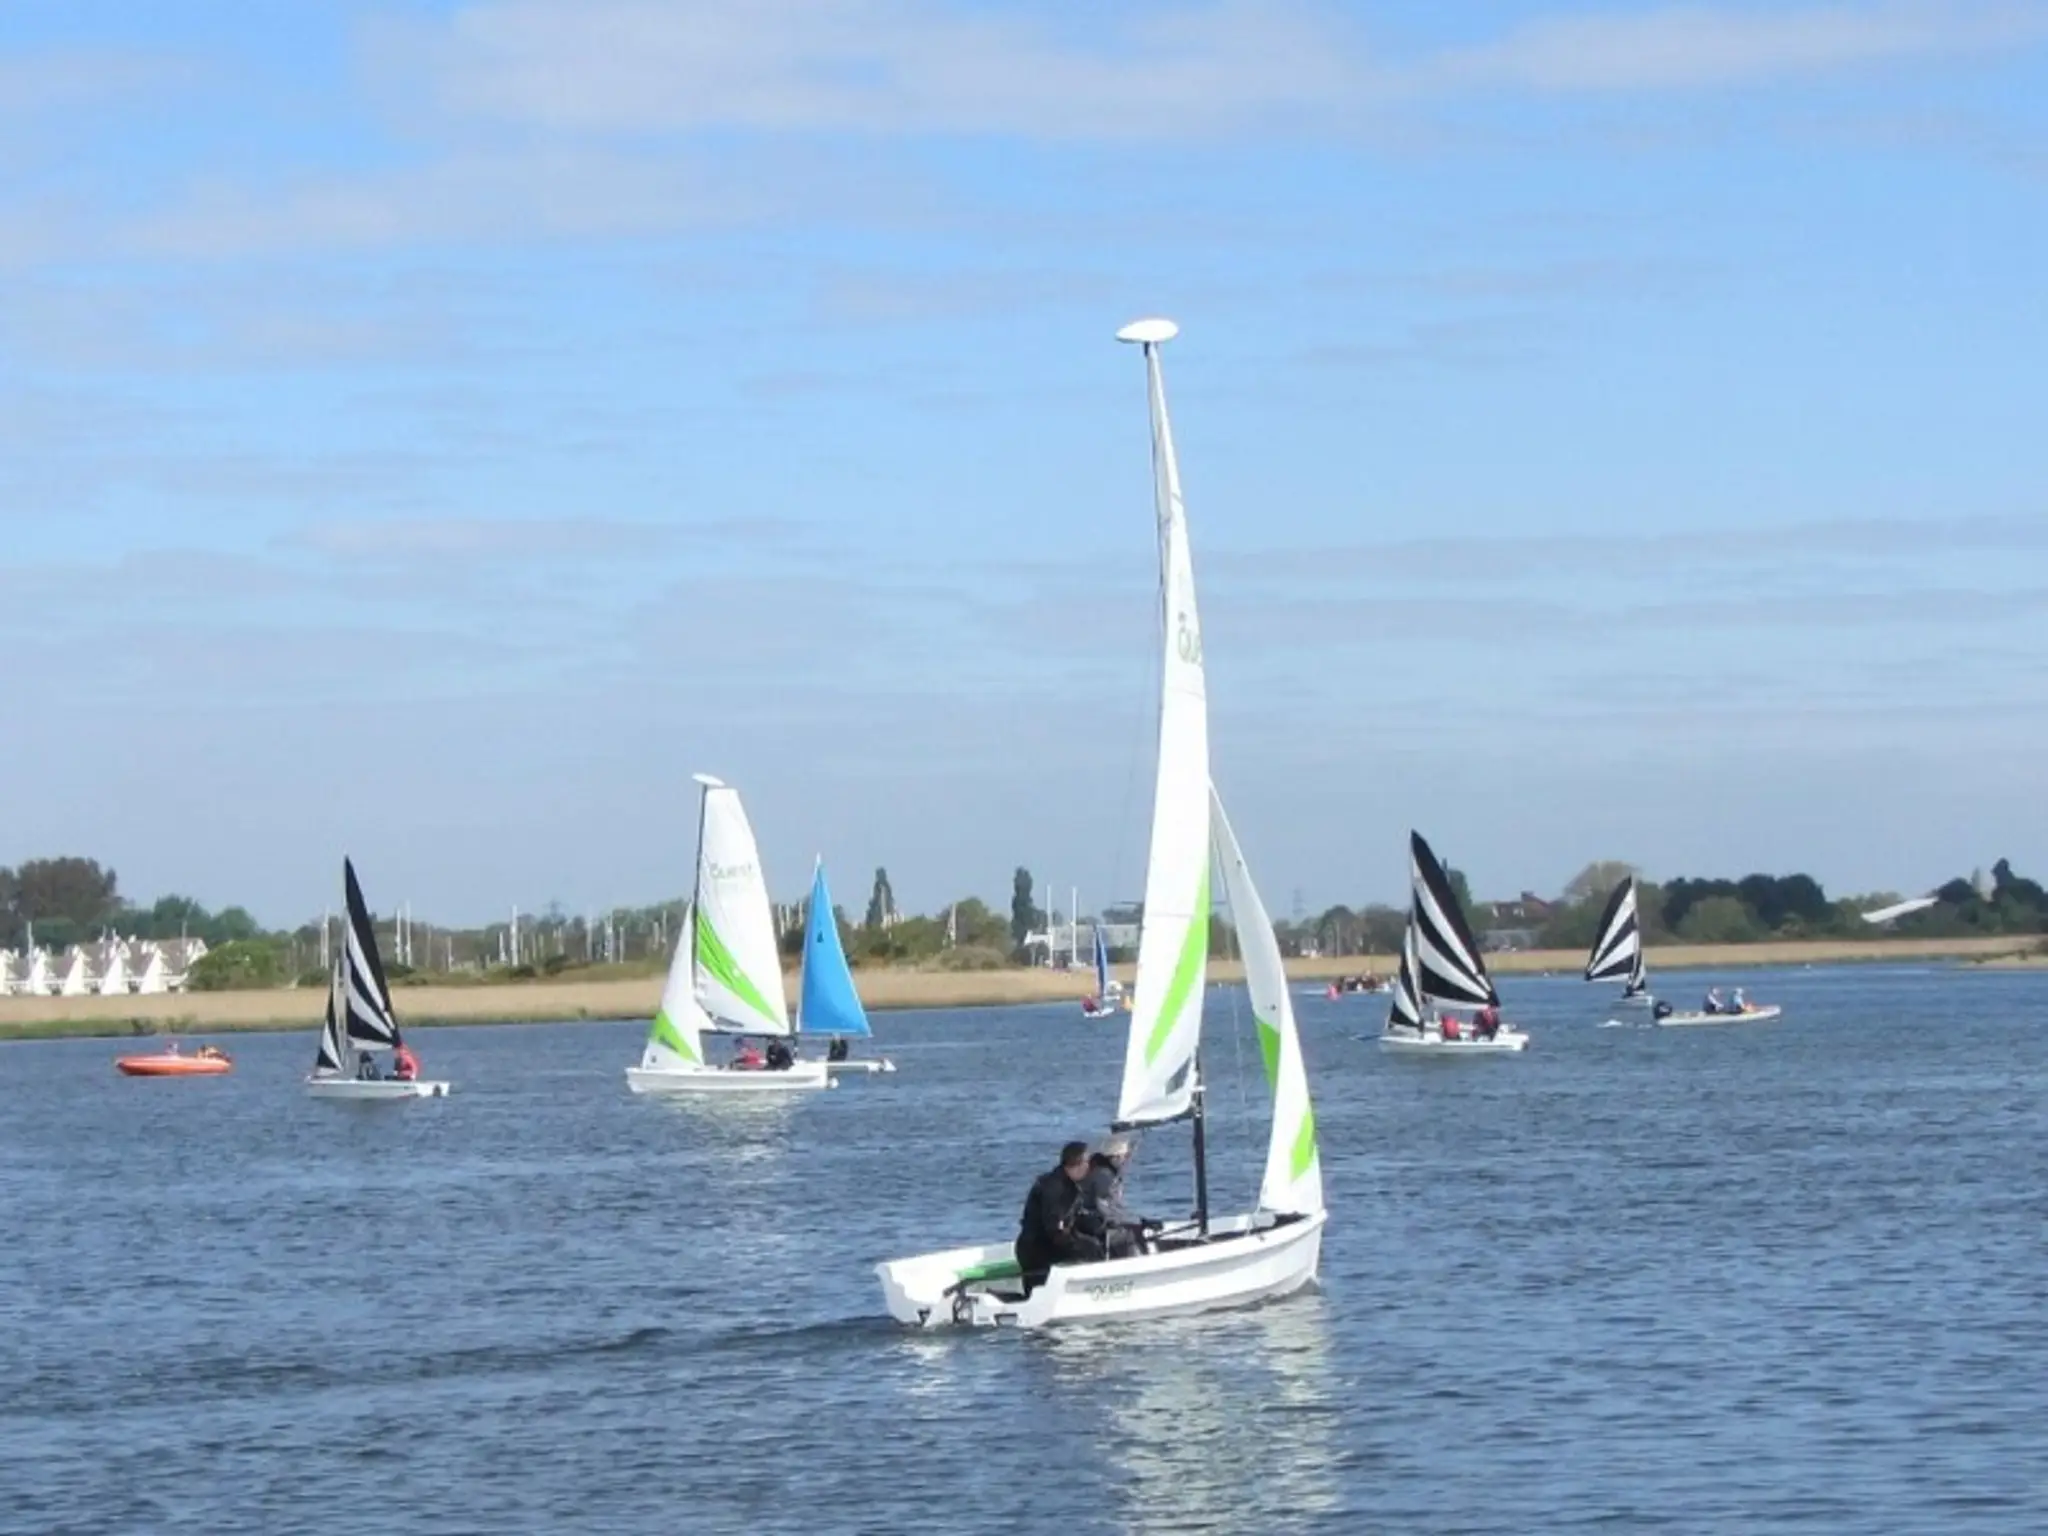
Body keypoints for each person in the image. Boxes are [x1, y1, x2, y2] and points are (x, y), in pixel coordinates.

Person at [1015, 1141, 1103, 1290]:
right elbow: (1054, 1228)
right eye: (1087, 1162)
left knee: (1095, 1242)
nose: (1089, 1167)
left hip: (1043, 1244)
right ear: (1078, 1164)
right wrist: (1080, 1243)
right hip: (1038, 1249)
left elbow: (1072, 1217)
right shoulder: (1055, 1188)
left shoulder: (1068, 1183)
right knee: (1092, 1248)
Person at [1079, 1136, 1145, 1258]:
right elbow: (1103, 1205)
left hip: (1089, 1220)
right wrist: (1128, 1220)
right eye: (1124, 1156)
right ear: (1114, 1158)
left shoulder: (1100, 1170)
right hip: (1093, 1222)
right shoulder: (1104, 1175)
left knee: (1133, 1226)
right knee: (1131, 1232)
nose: (1126, 1160)